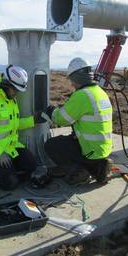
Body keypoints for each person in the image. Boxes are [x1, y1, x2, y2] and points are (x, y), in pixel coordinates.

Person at [44, 58, 113, 186]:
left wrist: (51, 111)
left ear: (77, 78)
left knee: (52, 145)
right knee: (71, 141)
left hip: (89, 149)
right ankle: (99, 167)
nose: (72, 84)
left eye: (72, 80)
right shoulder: (100, 92)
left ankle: (79, 172)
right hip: (102, 148)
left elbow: (62, 119)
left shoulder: (82, 95)